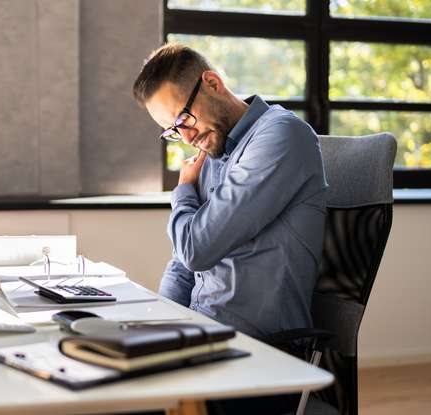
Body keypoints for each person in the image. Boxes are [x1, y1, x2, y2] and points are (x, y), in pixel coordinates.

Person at [132, 44, 327, 414]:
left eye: (184, 119)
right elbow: (182, 263)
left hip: (262, 355)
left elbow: (195, 248)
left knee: (126, 403)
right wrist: (157, 329)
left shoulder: (281, 137)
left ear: (212, 83)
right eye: (173, 131)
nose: (186, 138)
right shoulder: (213, 153)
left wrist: (183, 191)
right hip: (206, 340)